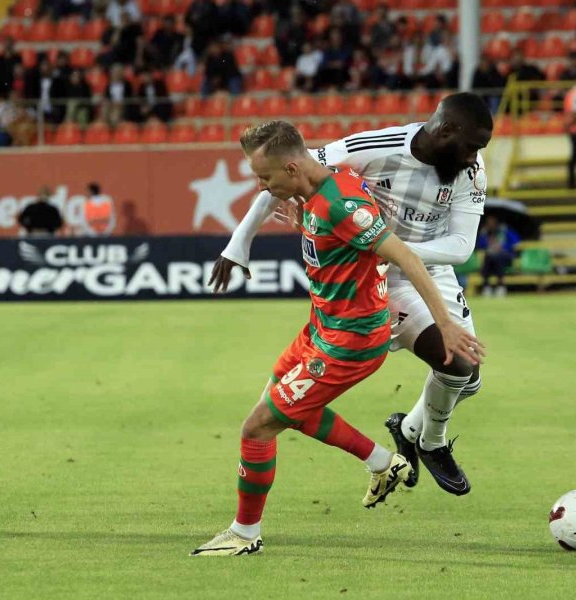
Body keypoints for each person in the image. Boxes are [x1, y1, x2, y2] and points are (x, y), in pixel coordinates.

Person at [192, 120, 484, 556]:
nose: (260, 185)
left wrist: (444, 324)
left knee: (258, 427)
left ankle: (244, 534)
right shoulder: (319, 190)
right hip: (322, 326)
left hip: (349, 343)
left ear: (292, 168)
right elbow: (337, 238)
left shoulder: (340, 205)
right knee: (278, 403)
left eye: (264, 177)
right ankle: (383, 462)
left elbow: (404, 256)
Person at [477, 215, 520, 297]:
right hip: (490, 257)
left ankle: (488, 285)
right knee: (490, 257)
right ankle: (497, 285)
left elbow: (515, 242)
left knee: (496, 257)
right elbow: (479, 245)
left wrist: (502, 247)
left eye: (492, 222)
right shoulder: (484, 232)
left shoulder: (505, 231)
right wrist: (487, 241)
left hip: (505, 256)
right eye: (489, 223)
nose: (491, 224)